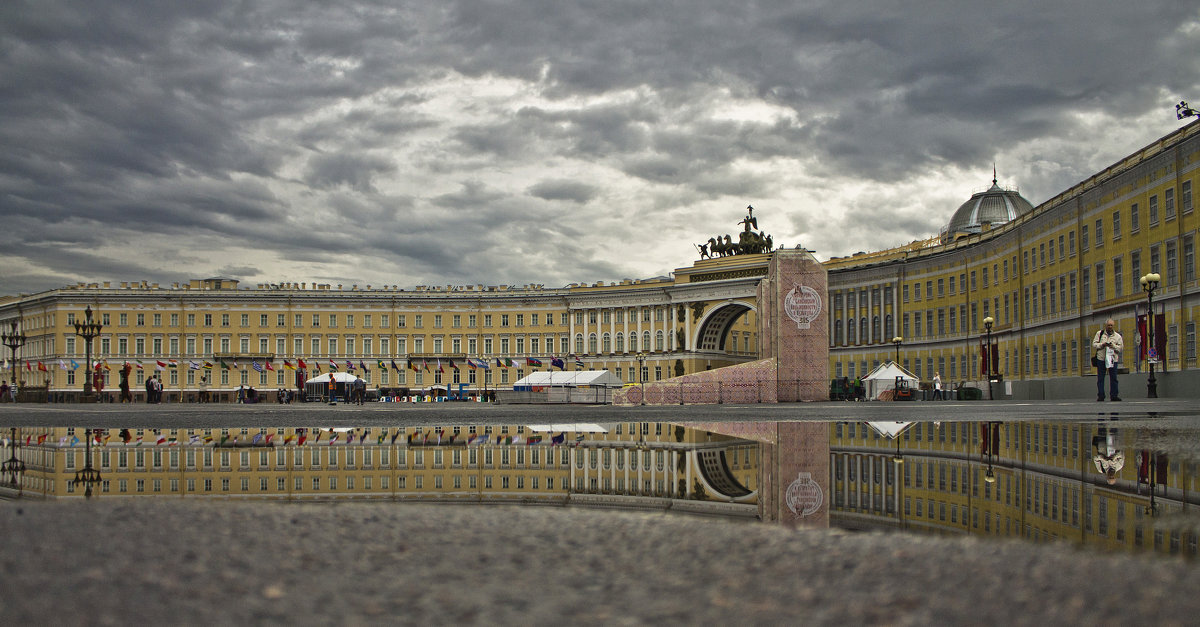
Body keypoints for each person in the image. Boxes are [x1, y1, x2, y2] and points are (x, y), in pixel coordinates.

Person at [1092, 318, 1123, 401]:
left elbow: (1120, 348)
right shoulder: (1100, 334)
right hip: (1101, 359)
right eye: (1108, 325)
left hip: (1112, 359)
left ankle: (1114, 395)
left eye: (1111, 325)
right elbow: (1094, 344)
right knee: (1100, 378)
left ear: (1113, 326)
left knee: (1114, 378)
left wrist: (1113, 346)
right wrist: (1102, 344)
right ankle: (1101, 395)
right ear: (1106, 325)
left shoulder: (1117, 336)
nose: (1110, 327)